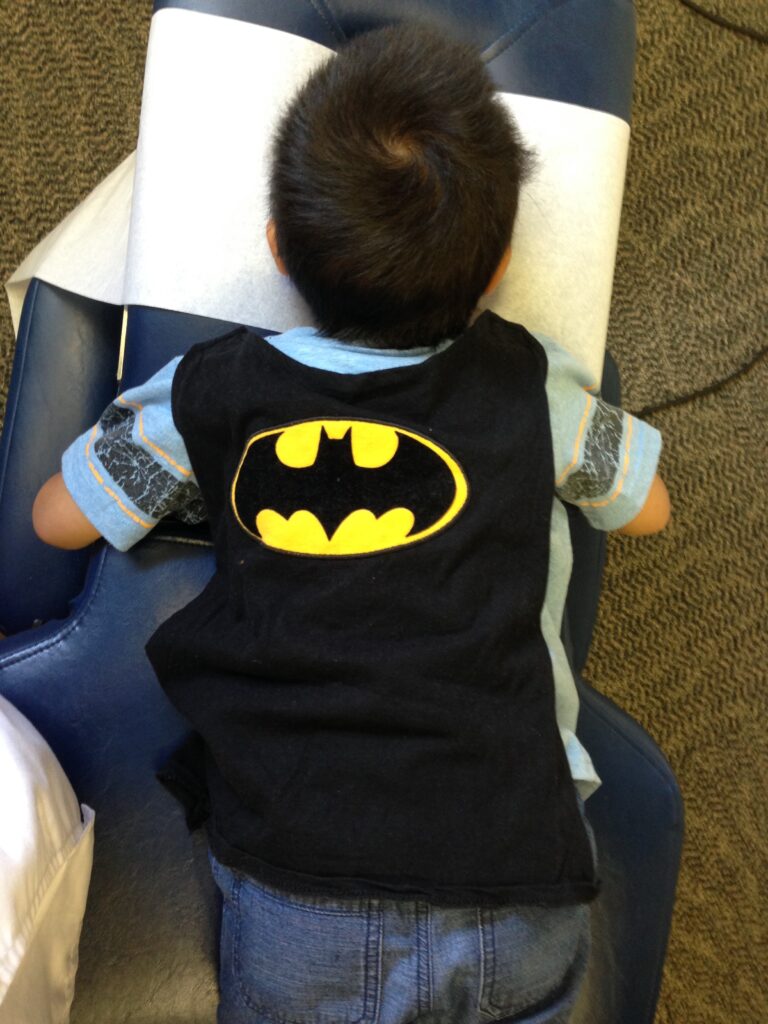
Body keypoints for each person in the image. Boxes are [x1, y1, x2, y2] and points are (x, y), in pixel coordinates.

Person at [32, 24, 670, 1024]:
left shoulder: (210, 393)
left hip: (299, 890)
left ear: (278, 249)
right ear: (499, 264)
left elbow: (59, 520)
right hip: (517, 871)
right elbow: (649, 508)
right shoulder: (527, 384)